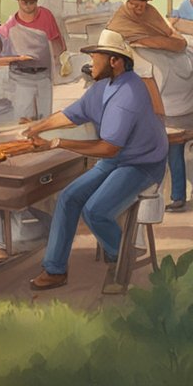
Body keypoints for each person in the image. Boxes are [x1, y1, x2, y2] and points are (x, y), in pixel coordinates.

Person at [22, 29, 169, 290]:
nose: (91, 62)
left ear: (115, 61)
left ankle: (123, 254)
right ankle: (55, 270)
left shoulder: (129, 94)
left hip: (142, 163)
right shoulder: (102, 87)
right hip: (120, 158)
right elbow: (70, 115)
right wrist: (38, 127)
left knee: (95, 210)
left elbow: (108, 148)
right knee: (68, 198)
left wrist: (57, 142)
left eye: (96, 56)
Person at [106, 0, 190, 211]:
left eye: (141, 4)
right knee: (145, 153)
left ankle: (177, 195)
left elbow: (179, 43)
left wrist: (149, 41)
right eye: (134, 3)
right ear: (128, 2)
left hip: (170, 100)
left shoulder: (152, 15)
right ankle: (138, 199)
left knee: (174, 146)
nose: (138, 8)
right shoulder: (118, 25)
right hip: (142, 101)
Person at [0, 0, 67, 123]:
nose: (29, 5)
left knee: (44, 118)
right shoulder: (10, 24)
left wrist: (61, 62)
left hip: (43, 75)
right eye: (25, 2)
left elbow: (56, 42)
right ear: (18, 1)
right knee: (23, 118)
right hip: (21, 77)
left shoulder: (46, 15)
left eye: (32, 2)